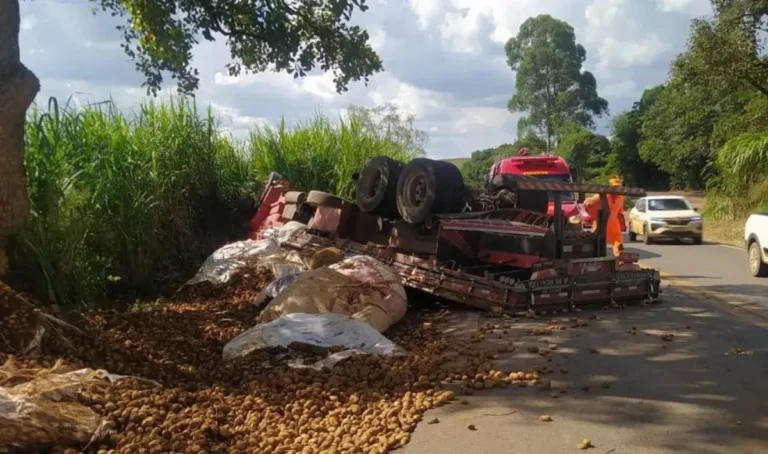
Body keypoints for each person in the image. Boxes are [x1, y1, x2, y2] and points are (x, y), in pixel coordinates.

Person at [583, 176, 625, 255]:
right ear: (610, 187)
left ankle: (619, 258)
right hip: (601, 222)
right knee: (597, 242)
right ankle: (596, 257)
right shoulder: (603, 196)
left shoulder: (621, 198)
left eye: (618, 187)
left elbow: (620, 212)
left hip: (614, 223)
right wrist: (589, 202)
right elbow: (590, 200)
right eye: (615, 187)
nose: (617, 189)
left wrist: (622, 224)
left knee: (618, 243)